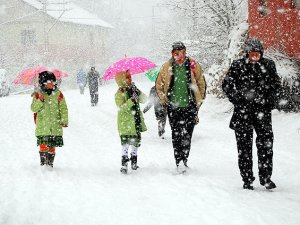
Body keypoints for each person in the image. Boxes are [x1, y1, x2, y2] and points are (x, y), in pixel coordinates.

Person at [222, 38, 282, 190]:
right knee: (244, 149)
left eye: (258, 55)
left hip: (263, 113)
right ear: (247, 54)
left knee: (266, 146)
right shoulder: (238, 65)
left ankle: (266, 178)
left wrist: (269, 100)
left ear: (261, 54)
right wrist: (238, 99)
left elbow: (276, 86)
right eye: (252, 55)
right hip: (243, 114)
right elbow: (227, 85)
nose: (255, 58)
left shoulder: (268, 65)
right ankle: (247, 179)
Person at [155, 41, 206, 172]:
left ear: (185, 52)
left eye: (182, 53)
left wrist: (199, 100)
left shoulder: (193, 65)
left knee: (188, 134)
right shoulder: (167, 67)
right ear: (172, 54)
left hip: (190, 107)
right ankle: (179, 162)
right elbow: (159, 85)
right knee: (176, 135)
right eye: (176, 53)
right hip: (173, 107)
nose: (180, 56)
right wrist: (164, 99)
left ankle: (185, 159)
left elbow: (201, 82)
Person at [31, 71, 68, 168]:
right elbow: (33, 108)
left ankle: (50, 163)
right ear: (43, 83)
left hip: (55, 126)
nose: (51, 84)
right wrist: (40, 100)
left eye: (53, 82)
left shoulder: (58, 94)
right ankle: (43, 164)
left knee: (52, 145)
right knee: (43, 144)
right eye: (48, 82)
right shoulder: (38, 94)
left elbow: (63, 108)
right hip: (43, 125)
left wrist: (64, 120)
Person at [115, 70, 147, 174]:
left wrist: (138, 92)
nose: (130, 79)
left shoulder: (133, 89)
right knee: (125, 143)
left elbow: (144, 99)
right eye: (127, 77)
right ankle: (124, 164)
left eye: (130, 77)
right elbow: (121, 107)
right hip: (125, 122)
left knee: (135, 142)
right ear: (122, 80)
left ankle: (134, 161)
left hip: (136, 119)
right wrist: (131, 101)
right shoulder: (119, 93)